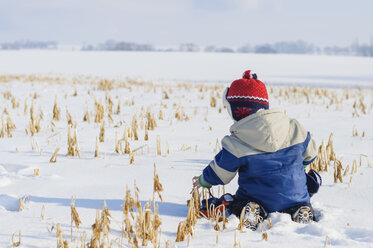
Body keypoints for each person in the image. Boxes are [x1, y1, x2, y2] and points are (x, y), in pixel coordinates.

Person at [192, 70, 319, 231]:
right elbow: (311, 154)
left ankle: (253, 211)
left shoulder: (236, 142)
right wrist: (304, 165)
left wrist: (204, 180)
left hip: (256, 198)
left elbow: (221, 171)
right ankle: (301, 210)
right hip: (296, 197)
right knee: (301, 198)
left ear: (237, 110)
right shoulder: (294, 127)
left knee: (239, 204)